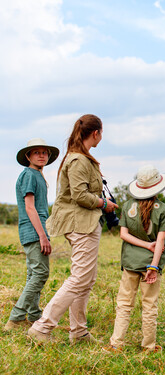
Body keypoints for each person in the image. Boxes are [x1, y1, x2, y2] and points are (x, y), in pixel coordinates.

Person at [27, 114, 118, 344]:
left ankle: (79, 332)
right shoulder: (78, 160)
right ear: (96, 133)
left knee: (86, 279)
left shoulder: (81, 157)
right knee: (80, 279)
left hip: (84, 223)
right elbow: (79, 196)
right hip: (81, 224)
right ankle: (42, 327)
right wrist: (104, 204)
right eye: (101, 132)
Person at [107, 165, 165, 353]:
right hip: (150, 265)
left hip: (130, 263)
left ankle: (116, 343)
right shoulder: (164, 209)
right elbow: (160, 241)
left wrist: (143, 245)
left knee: (124, 304)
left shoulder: (127, 206)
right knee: (150, 305)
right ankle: (148, 346)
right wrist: (153, 265)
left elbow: (123, 235)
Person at [4, 139, 59, 331]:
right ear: (28, 156)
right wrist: (43, 236)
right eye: (37, 152)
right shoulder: (29, 175)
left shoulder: (37, 175)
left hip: (36, 230)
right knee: (41, 273)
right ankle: (16, 317)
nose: (42, 155)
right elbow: (30, 207)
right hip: (34, 231)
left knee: (33, 273)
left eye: (45, 152)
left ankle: (34, 315)